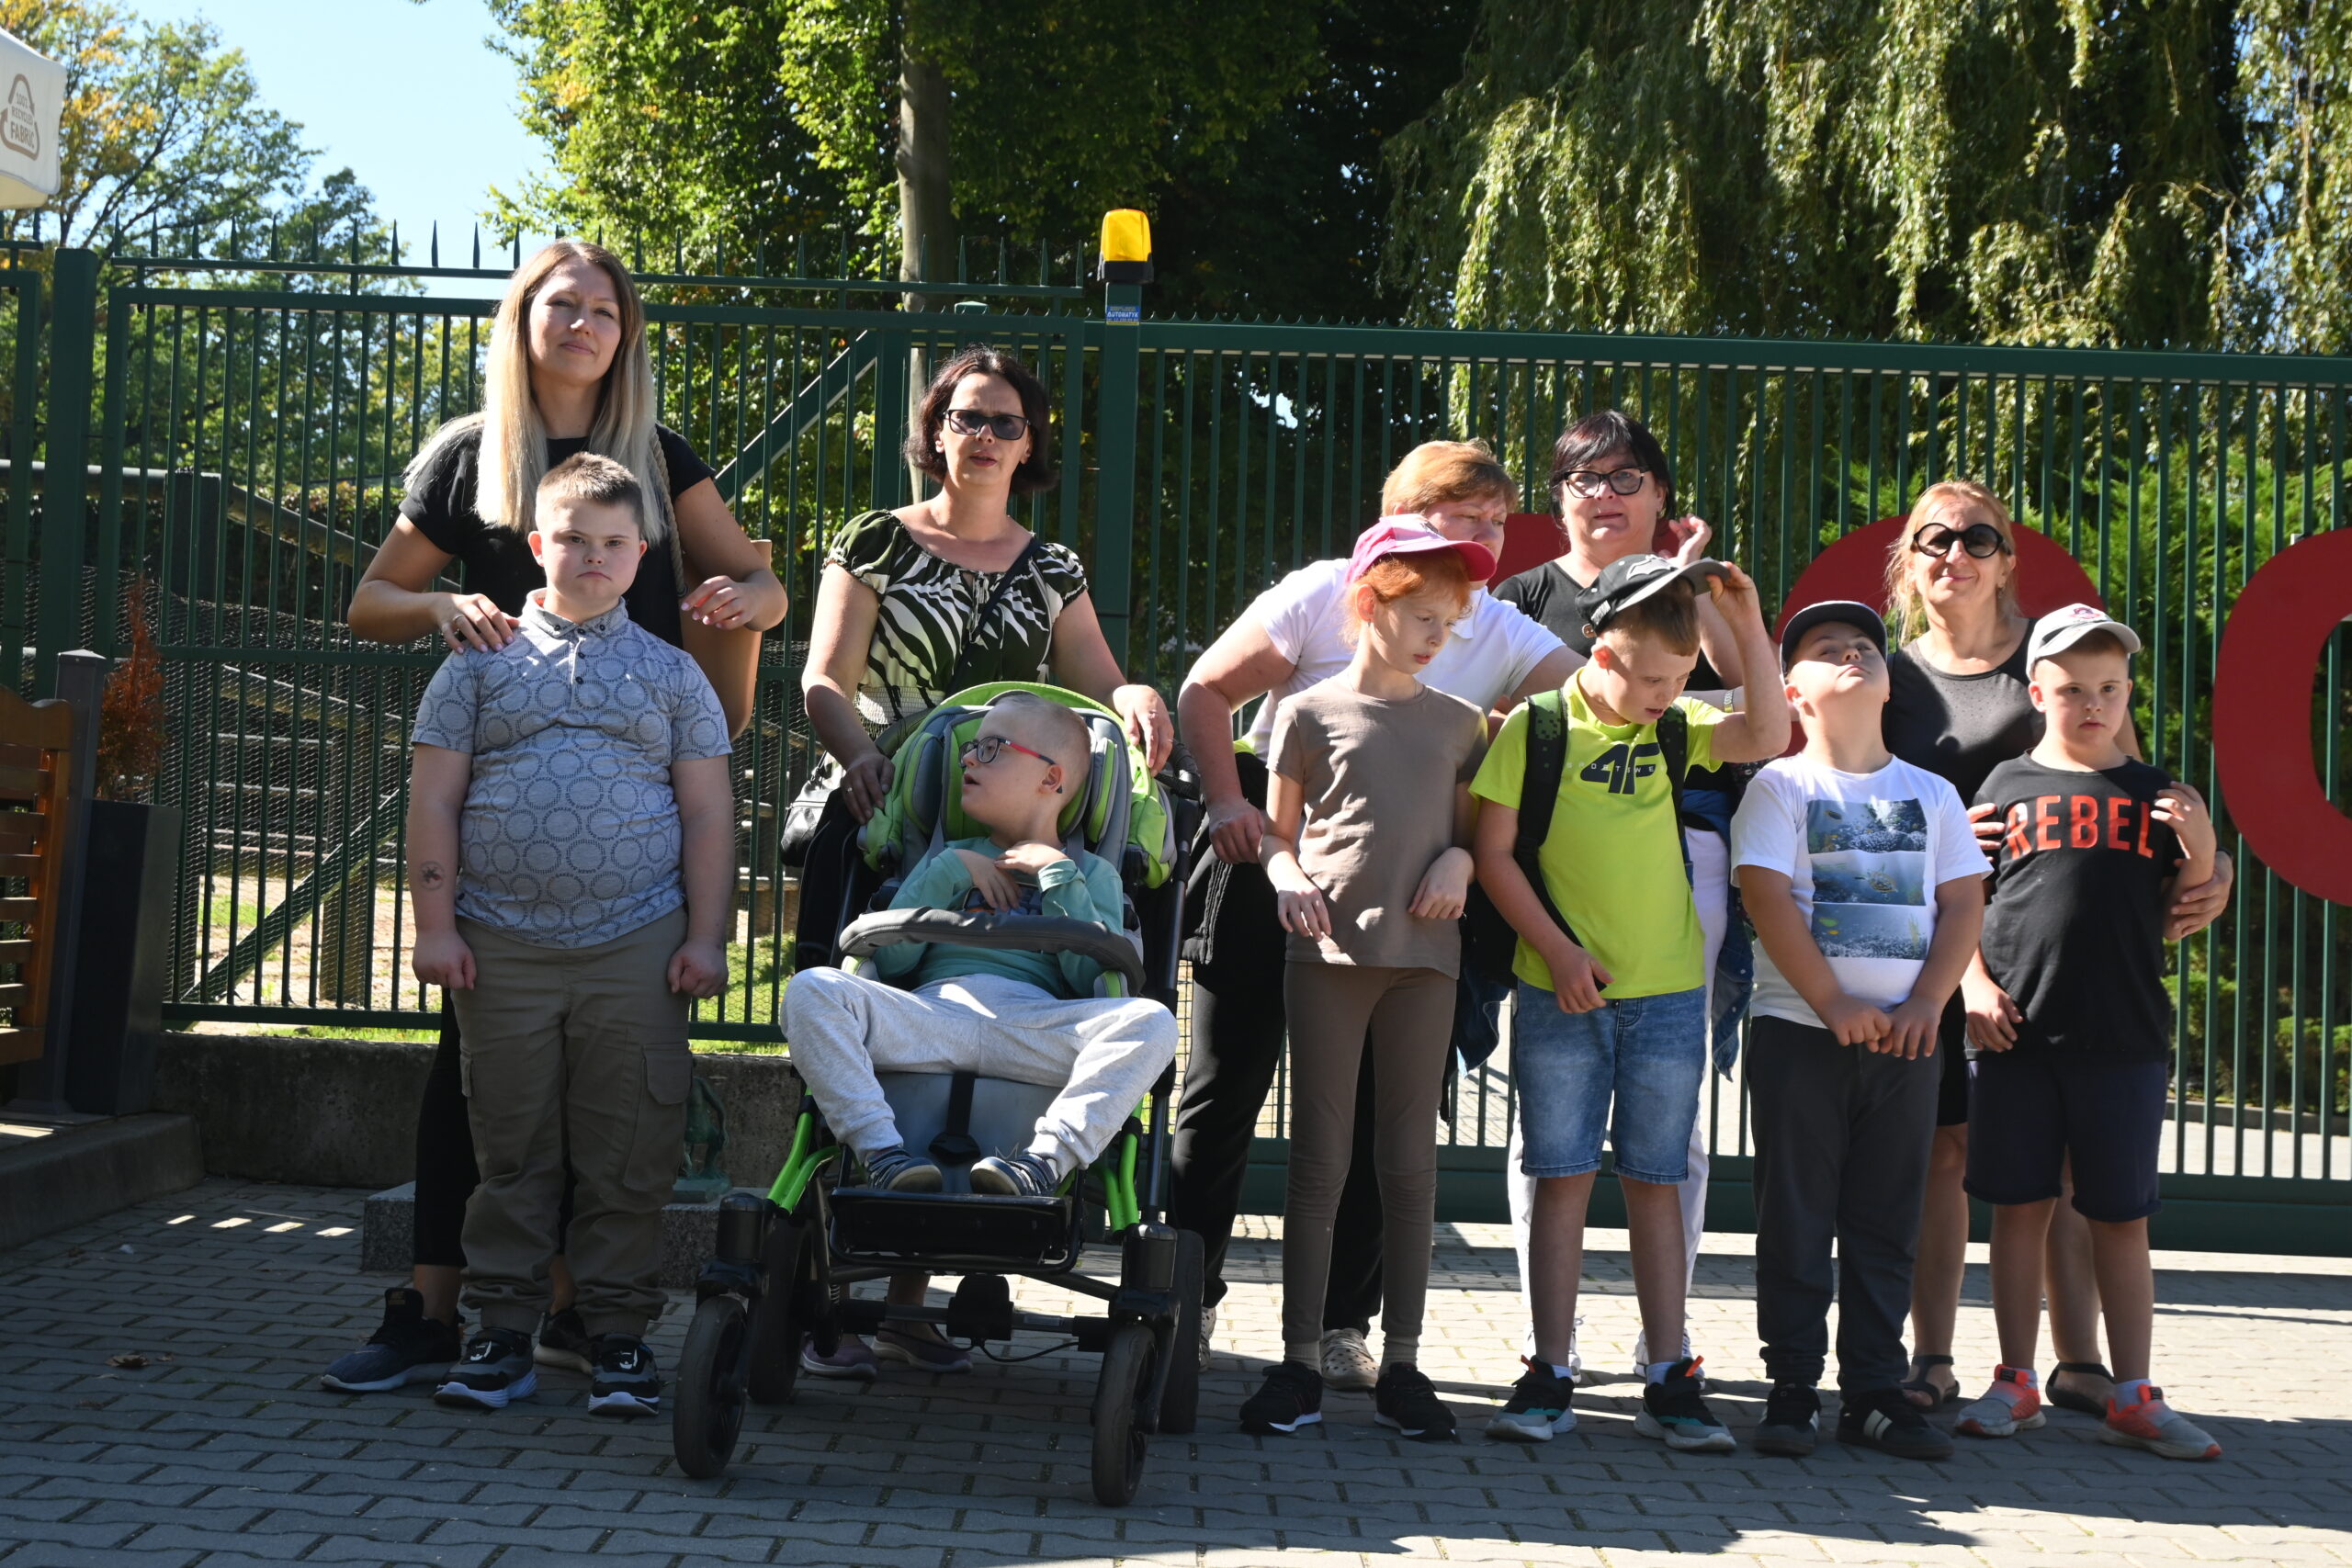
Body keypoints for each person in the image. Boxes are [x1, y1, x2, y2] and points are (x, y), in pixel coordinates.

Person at [323, 239, 784, 1395]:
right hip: (495, 834)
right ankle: (437, 1315)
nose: (583, 324)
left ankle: (582, 1320)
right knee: (473, 1087)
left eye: (604, 309)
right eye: (561, 304)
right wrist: (440, 606)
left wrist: (743, 598)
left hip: (634, 813)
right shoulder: (469, 456)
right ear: (522, 318)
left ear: (626, 334)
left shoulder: (659, 458)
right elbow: (371, 602)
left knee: (608, 1098)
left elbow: (763, 583)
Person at [793, 344, 1172, 1376]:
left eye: (1008, 422)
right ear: (936, 428)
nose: (987, 437)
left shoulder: (1051, 568)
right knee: (849, 989)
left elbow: (1094, 685)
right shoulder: (878, 540)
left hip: (1017, 796)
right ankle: (844, 1272)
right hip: (896, 798)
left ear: (1030, 441)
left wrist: (1136, 696)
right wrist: (862, 756)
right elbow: (824, 676)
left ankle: (923, 1289)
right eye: (967, 417)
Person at [1171, 440, 1577, 1391]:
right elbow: (1206, 689)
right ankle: (1188, 1296)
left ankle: (1344, 1325)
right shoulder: (1323, 589)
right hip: (1271, 858)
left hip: (1407, 891)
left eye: (1497, 521)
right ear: (1402, 516)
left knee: (1376, 1115)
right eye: (1465, 515)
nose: (1487, 537)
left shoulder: (1496, 621)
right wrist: (1229, 803)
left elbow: (1597, 695)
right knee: (1224, 1087)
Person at [1876, 481, 2233, 1413]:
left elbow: (2130, 795)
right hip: (1927, 947)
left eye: (1978, 538)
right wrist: (1937, 848)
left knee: (2068, 1174)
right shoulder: (1889, 676)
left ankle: (2078, 1366)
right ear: (1909, 559)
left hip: (2042, 968)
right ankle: (1934, 1359)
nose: (1955, 554)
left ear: (2006, 559)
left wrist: (2213, 864)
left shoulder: (2062, 654)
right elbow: (1853, 797)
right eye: (1934, 538)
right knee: (1944, 1156)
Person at [407, 454, 734, 1417]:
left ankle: (617, 1333)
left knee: (629, 1150)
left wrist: (707, 937)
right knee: (510, 1150)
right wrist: (434, 927)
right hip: (498, 947)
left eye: (615, 543)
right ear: (537, 545)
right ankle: (501, 1332)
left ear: (641, 555)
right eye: (575, 539)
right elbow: (433, 799)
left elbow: (709, 813)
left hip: (639, 946)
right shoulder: (476, 661)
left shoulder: (674, 674)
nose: (594, 556)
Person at [1474, 554, 1789, 1450]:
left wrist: (1747, 620)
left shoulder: (1677, 724)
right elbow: (1493, 854)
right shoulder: (1536, 727)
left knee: (1658, 1179)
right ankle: (1549, 1371)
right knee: (1561, 1175)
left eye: (1679, 680)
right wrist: (1556, 950)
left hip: (1670, 996)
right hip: (1559, 994)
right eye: (1651, 679)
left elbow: (1768, 733)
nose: (1666, 696)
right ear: (1600, 651)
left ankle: (1668, 1374)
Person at [1494, 409, 1751, 1374]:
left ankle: (1664, 1342)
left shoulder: (1693, 597)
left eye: (1625, 476)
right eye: (1583, 478)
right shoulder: (1524, 596)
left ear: (1660, 492)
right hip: (1550, 886)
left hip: (1677, 891)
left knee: (1667, 1145)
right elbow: (1488, 723)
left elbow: (1747, 700)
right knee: (1551, 1145)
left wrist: (1702, 587)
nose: (1604, 494)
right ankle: (1547, 1345)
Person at [1236, 523, 1492, 1443]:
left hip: (1425, 962)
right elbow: (1276, 835)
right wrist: (1285, 875)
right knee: (1318, 1162)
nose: (1434, 637)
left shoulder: (1461, 722)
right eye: (1421, 616)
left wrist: (1460, 861)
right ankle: (1299, 1361)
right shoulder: (1306, 714)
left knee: (1409, 1167)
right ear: (1368, 603)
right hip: (1328, 958)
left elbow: (1475, 835)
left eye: (1447, 623)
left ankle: (1407, 1365)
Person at [1951, 606, 2222, 1460]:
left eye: (2109, 688)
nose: (2093, 704)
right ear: (2038, 693)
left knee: (2120, 1217)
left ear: (2128, 692)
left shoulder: (2158, 792)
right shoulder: (2002, 788)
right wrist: (1972, 988)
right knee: (2017, 1211)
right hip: (2016, 1039)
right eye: (2073, 689)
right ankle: (2015, 1381)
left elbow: (2184, 907)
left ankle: (2135, 1392)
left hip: (2124, 1039)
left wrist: (2204, 843)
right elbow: (1963, 905)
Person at [1730, 601, 1983, 1462]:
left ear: (1888, 682)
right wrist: (1834, 1002)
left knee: (1887, 1219)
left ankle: (1874, 1390)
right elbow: (1766, 899)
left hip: (1908, 1045)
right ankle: (1793, 1385)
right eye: (1825, 649)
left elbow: (1963, 903)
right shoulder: (1781, 787)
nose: (1852, 654)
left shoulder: (1933, 793)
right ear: (1792, 693)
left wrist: (1928, 1003)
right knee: (1796, 1215)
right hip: (1801, 1035)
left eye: (1866, 646)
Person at [782, 693, 1178, 1199]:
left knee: (1153, 1022)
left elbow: (1088, 981)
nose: (968, 759)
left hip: (1034, 1027)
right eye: (970, 748)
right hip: (932, 1018)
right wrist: (952, 870)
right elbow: (894, 960)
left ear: (1051, 778)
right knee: (811, 989)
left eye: (991, 749)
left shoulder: (1093, 874)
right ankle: (881, 1153)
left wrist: (1059, 877)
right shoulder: (946, 859)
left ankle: (1043, 1163)